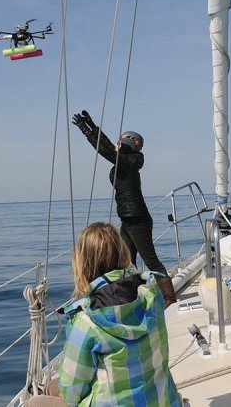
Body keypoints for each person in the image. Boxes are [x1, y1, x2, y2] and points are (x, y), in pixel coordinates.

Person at [27, 222, 182, 407]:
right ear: (123, 252)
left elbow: (71, 391)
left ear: (82, 263)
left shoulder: (86, 321)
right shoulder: (152, 297)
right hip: (162, 402)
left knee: (35, 402)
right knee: (52, 387)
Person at [72, 110, 177, 307]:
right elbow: (107, 146)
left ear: (126, 145)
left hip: (137, 219)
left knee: (151, 261)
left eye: (120, 142)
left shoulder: (127, 162)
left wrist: (86, 131)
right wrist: (93, 126)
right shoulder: (126, 159)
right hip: (129, 219)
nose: (116, 145)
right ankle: (133, 297)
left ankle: (170, 298)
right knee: (128, 263)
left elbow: (105, 150)